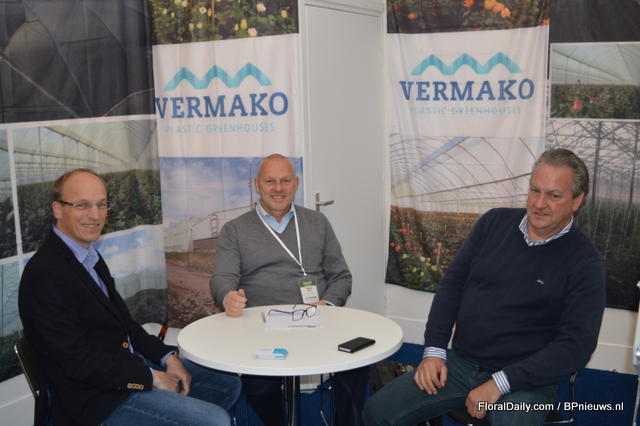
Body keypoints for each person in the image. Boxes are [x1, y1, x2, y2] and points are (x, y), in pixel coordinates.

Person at [363, 148, 606, 426]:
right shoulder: (493, 223)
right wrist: (434, 351)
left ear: (577, 200)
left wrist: (501, 383)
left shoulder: (585, 262)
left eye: (553, 195)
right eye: (534, 190)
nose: (539, 203)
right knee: (378, 412)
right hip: (461, 364)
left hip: (527, 381)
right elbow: (452, 287)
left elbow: (577, 344)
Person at [19, 169, 241, 426]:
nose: (95, 215)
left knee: (227, 385)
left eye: (101, 204)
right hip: (94, 400)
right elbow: (77, 362)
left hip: (124, 368)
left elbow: (126, 324)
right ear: (58, 209)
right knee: (214, 421)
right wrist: (151, 378)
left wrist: (167, 358)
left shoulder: (89, 258)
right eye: (82, 205)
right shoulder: (45, 274)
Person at [210, 153, 367, 426]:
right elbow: (221, 278)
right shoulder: (234, 230)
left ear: (296, 183)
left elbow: (341, 276)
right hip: (262, 328)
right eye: (270, 181)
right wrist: (228, 297)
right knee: (259, 387)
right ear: (256, 185)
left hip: (318, 320)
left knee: (358, 366)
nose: (278, 188)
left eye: (285, 181)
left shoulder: (318, 223)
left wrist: (327, 304)